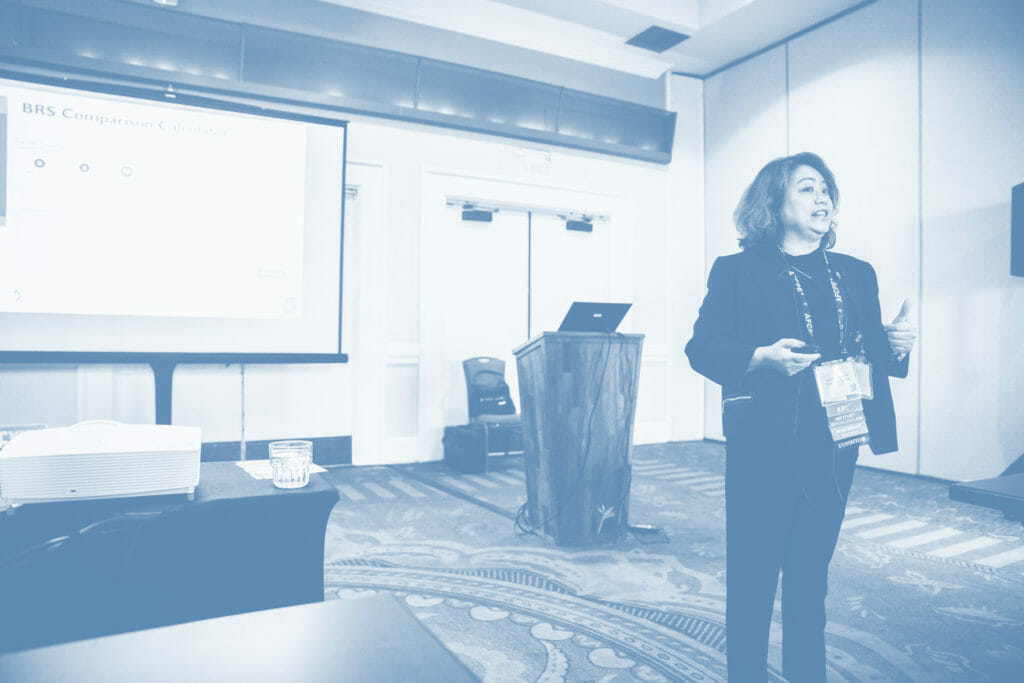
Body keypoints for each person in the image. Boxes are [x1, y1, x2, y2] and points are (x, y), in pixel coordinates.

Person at [684, 152, 916, 682]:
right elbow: (701, 347)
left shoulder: (856, 273)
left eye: (826, 189)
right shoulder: (738, 270)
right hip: (765, 439)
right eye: (808, 188)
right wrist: (759, 358)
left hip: (838, 435)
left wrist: (896, 345)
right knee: (753, 576)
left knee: (811, 576)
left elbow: (870, 350)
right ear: (774, 201)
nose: (822, 198)